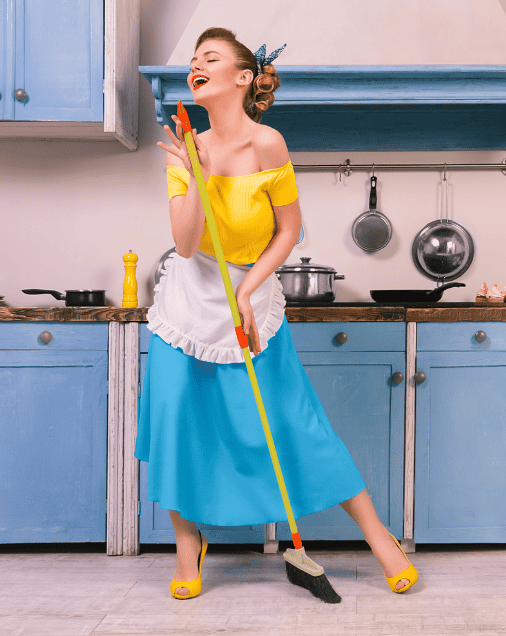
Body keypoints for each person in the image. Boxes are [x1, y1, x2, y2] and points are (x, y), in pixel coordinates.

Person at [134, 27, 418, 599]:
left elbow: (288, 230)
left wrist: (250, 288)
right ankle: (187, 545)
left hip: (252, 298)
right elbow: (186, 245)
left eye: (210, 58)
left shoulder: (268, 144)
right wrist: (194, 175)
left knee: (296, 423)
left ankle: (379, 536)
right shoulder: (185, 146)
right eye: (193, 60)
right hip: (188, 301)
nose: (196, 65)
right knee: (176, 420)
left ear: (243, 78)